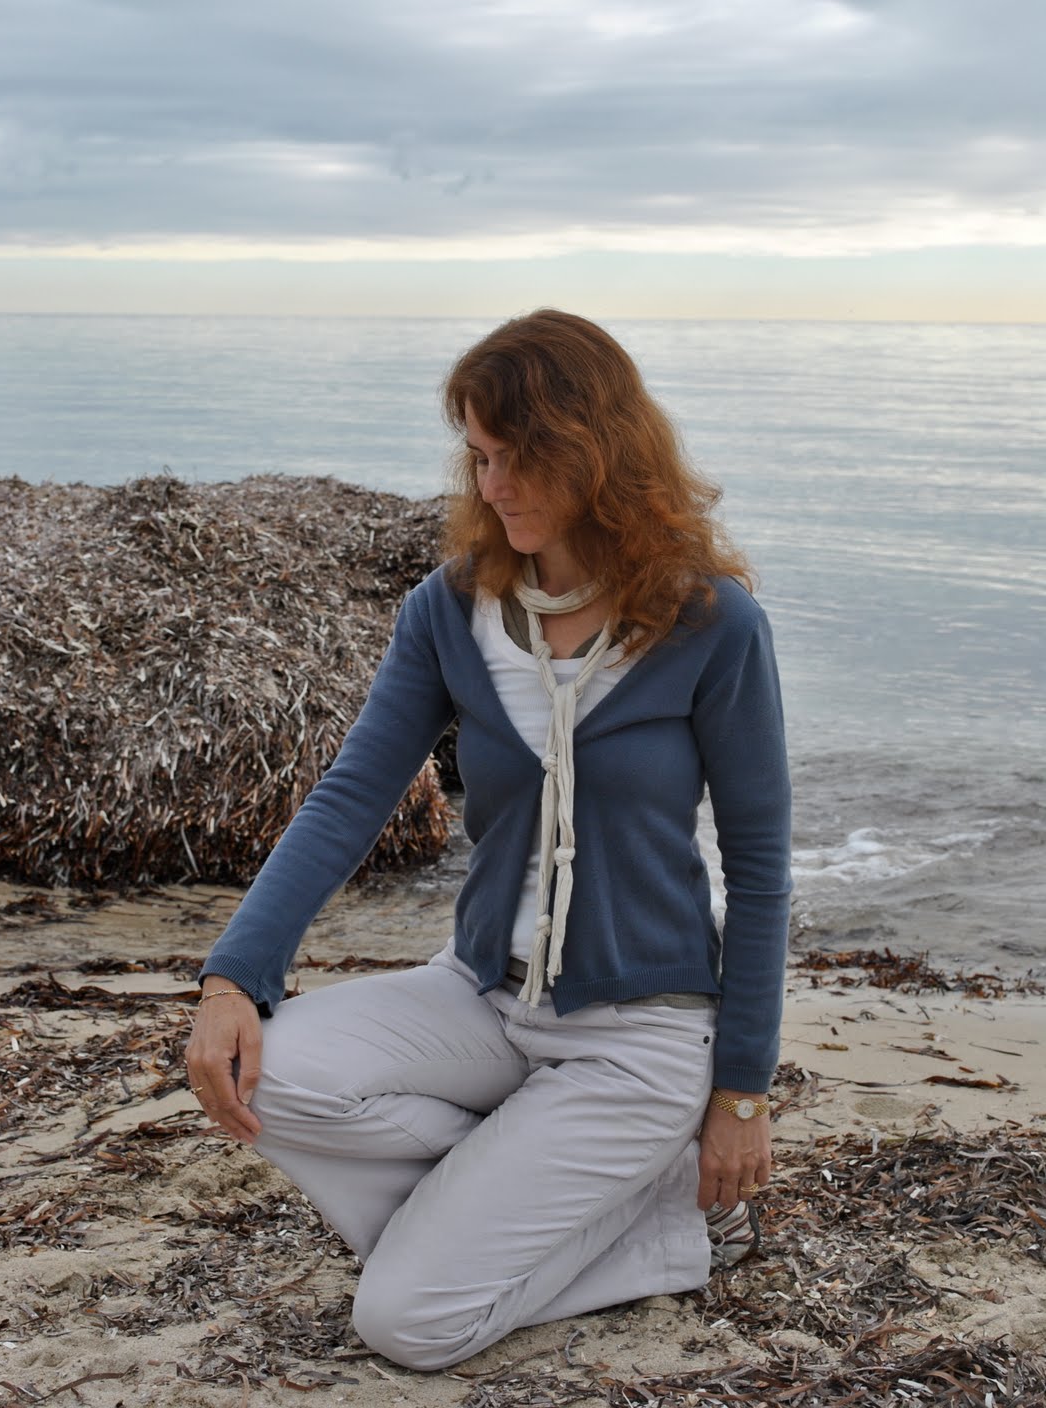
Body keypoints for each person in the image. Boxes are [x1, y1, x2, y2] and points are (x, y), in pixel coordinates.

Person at [186, 309, 792, 1373]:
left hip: (640, 1035)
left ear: (593, 451)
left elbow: (760, 870)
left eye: (518, 457)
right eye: (479, 455)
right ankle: (562, 1177)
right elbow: (350, 797)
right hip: (479, 994)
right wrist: (237, 974)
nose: (493, 483)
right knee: (261, 1075)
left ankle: (667, 1224)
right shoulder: (450, 611)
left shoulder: (710, 624)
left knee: (407, 1322)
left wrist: (740, 1093)